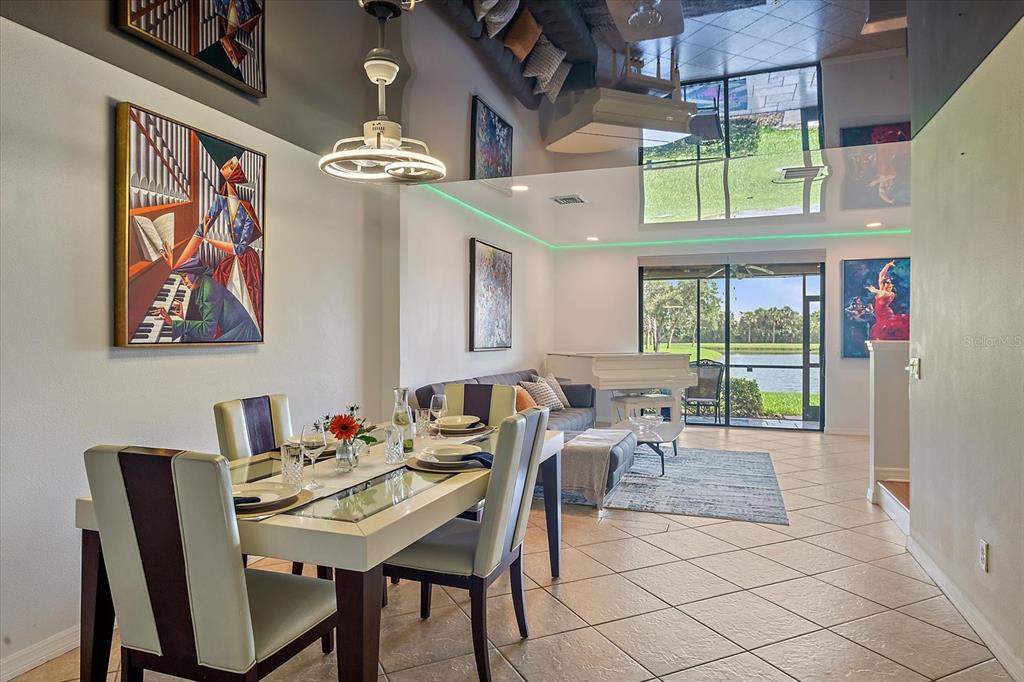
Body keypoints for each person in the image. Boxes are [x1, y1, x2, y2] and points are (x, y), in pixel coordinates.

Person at [156, 257, 261, 342]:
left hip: (243, 333)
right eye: (181, 278)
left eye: (185, 276)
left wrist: (173, 323)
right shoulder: (203, 282)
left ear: (194, 273)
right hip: (236, 329)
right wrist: (183, 318)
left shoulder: (209, 288)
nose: (184, 282)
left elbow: (206, 331)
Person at [865, 260, 909, 340]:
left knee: (889, 330)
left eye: (890, 284)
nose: (889, 285)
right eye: (887, 283)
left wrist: (875, 290)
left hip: (887, 316)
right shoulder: (882, 289)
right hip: (880, 316)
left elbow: (884, 293)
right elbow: (881, 275)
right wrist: (887, 266)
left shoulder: (891, 294)